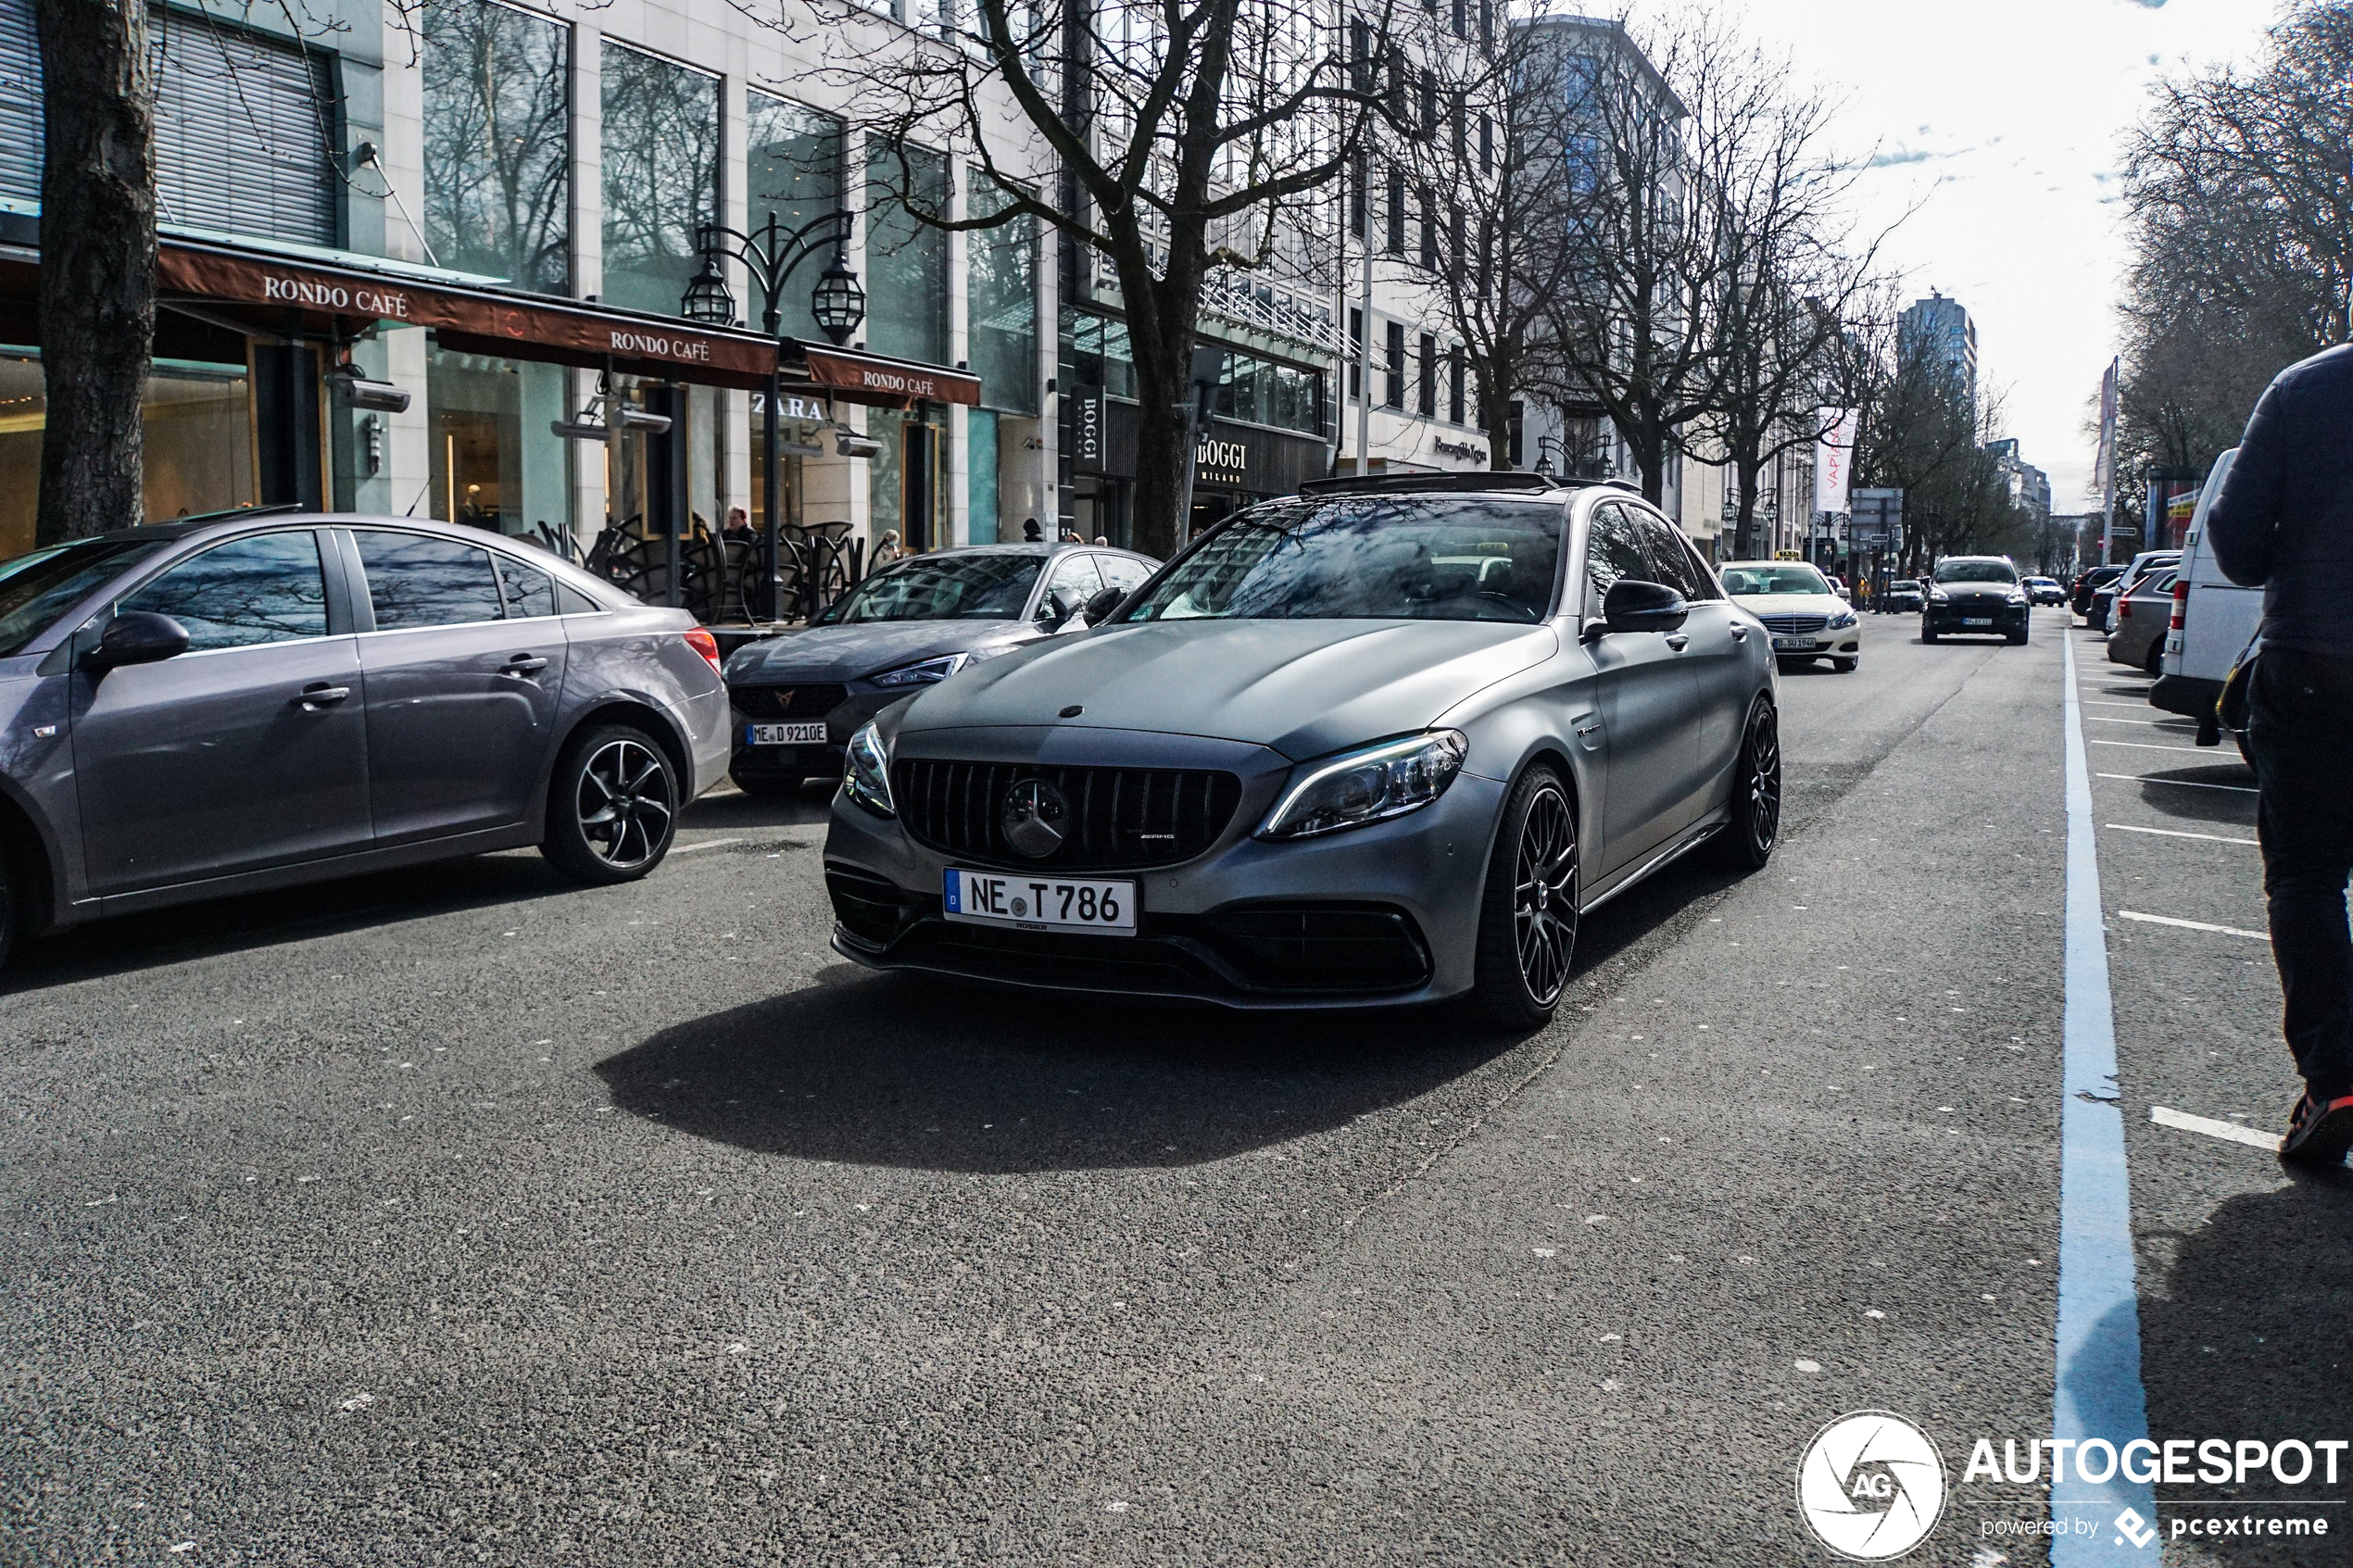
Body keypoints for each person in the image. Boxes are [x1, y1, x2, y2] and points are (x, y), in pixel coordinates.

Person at [2204, 339, 2353, 1165]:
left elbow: (2235, 540)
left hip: (2313, 668)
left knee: (2306, 874)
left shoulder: (2303, 389)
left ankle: (2335, 1076)